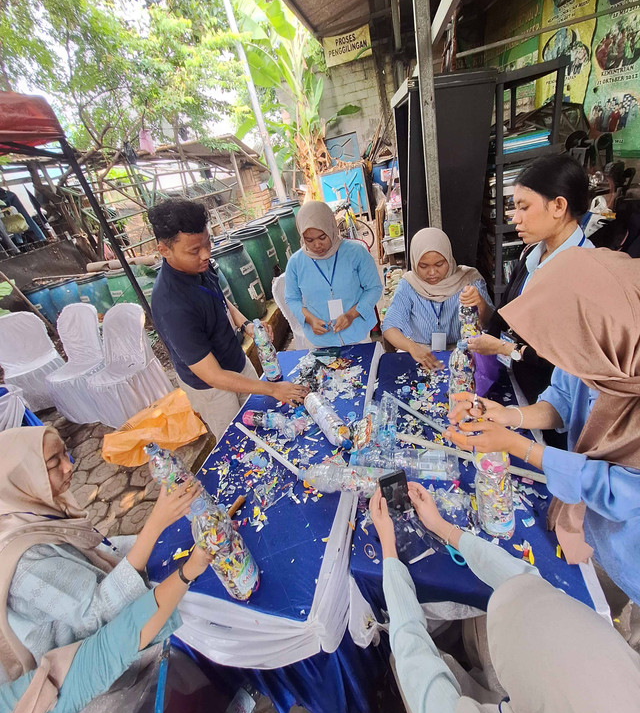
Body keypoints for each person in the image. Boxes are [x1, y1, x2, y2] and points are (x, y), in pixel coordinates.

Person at [370, 484, 640, 713]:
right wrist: (442, 527)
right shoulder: (620, 683)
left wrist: (389, 549)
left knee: (402, 663)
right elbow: (527, 582)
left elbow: (412, 653)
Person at [446, 248, 640, 607]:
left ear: (607, 327)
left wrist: (521, 447)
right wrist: (509, 416)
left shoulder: (610, 346)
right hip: (588, 527)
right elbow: (562, 399)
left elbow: (619, 492)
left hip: (630, 556)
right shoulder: (600, 347)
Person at [0, 426, 201, 684]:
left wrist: (164, 534)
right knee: (197, 612)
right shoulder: (25, 560)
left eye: (66, 454)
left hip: (109, 621)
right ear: (24, 478)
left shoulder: (30, 510)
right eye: (54, 463)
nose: (69, 466)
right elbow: (98, 613)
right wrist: (155, 525)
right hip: (99, 660)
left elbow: (97, 550)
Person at [0, 544, 212, 713]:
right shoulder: (24, 567)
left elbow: (100, 658)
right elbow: (100, 614)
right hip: (127, 670)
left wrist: (185, 572)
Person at [149, 199, 308, 438]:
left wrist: (246, 325)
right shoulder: (171, 305)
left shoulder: (200, 266)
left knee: (262, 417)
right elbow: (213, 375)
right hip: (212, 389)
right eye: (194, 250)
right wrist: (273, 388)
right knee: (238, 438)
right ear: (164, 250)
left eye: (207, 243)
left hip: (236, 362)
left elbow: (221, 301)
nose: (205, 254)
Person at [469, 154, 592, 405]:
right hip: (518, 385)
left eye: (524, 207)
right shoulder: (530, 255)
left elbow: (570, 361)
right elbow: (507, 314)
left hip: (554, 407)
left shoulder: (586, 271)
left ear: (558, 206)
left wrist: (505, 349)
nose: (515, 217)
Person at [382, 228, 492, 370]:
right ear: (415, 263)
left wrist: (480, 303)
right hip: (422, 355)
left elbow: (491, 323)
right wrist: (412, 347)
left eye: (439, 264)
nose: (432, 272)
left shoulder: (469, 280)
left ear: (449, 258)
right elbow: (389, 327)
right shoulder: (409, 285)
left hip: (463, 353)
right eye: (423, 266)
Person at [284, 200, 382, 347]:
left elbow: (374, 288)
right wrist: (310, 319)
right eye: (309, 240)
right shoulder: (296, 263)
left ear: (331, 228)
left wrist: (351, 315)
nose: (317, 245)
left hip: (357, 333)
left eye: (322, 237)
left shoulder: (356, 253)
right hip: (320, 339)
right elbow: (292, 299)